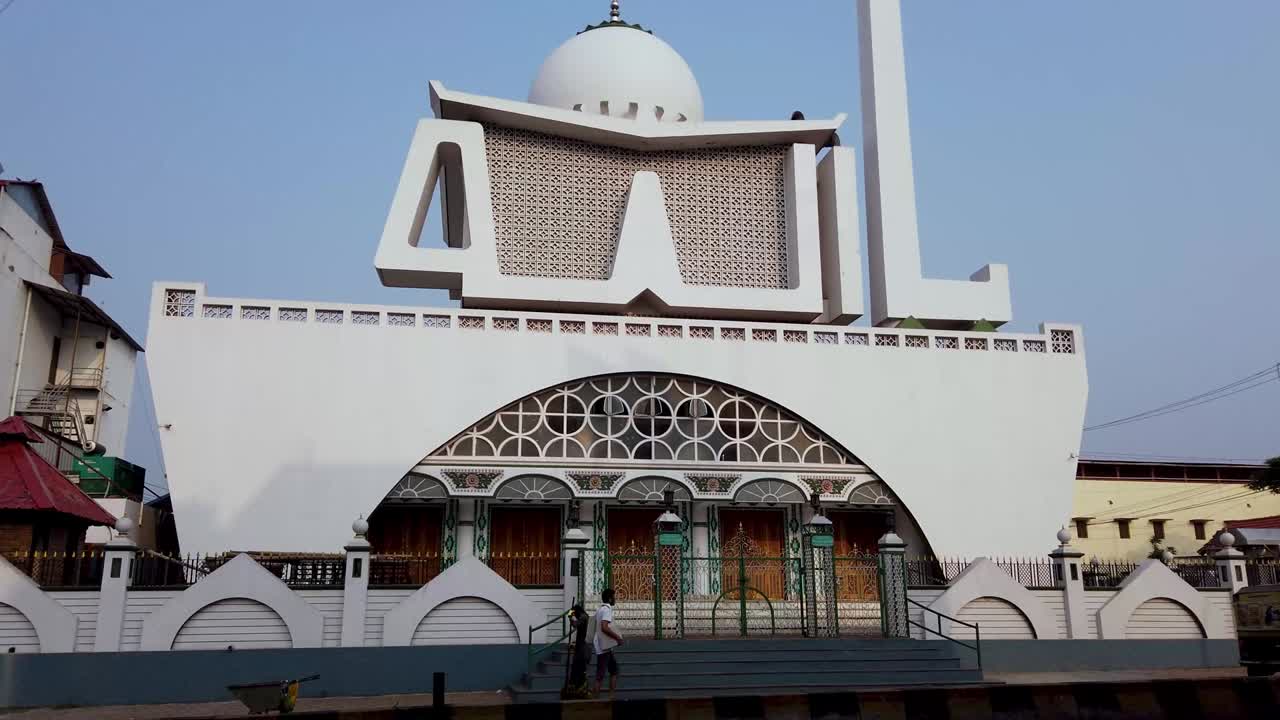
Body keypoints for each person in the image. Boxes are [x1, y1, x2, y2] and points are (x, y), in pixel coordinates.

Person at [592, 588, 623, 696]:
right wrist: (617, 638)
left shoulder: (600, 609)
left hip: (604, 646)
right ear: (610, 599)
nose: (615, 599)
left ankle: (611, 695)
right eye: (614, 597)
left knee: (614, 671)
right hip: (603, 648)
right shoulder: (606, 610)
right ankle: (596, 698)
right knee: (600, 675)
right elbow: (604, 627)